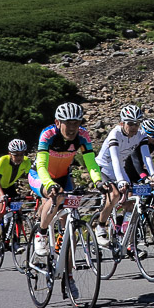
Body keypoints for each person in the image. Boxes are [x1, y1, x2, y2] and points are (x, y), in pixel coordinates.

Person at [29, 103, 103, 268]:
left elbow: (91, 163)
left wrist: (98, 181)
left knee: (70, 224)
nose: (72, 127)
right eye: (68, 123)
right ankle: (41, 234)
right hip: (40, 176)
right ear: (57, 122)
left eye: (76, 123)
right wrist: (49, 184)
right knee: (55, 197)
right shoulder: (48, 134)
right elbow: (41, 165)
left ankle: (68, 276)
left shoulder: (83, 135)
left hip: (63, 177)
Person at [95, 103, 154, 250]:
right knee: (115, 194)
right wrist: (121, 181)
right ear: (122, 123)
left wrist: (153, 176)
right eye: (130, 124)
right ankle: (100, 227)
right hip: (103, 168)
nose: (134, 127)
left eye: (137, 123)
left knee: (132, 201)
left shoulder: (141, 135)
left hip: (119, 169)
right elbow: (115, 159)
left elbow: (146, 157)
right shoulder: (114, 134)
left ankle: (125, 237)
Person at [0, 139, 31, 249]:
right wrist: (1, 196)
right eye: (16, 155)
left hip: (10, 187)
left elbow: (32, 179)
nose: (19, 157)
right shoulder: (3, 160)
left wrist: (35, 192)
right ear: (10, 153)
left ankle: (16, 242)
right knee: (0, 211)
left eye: (22, 154)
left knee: (19, 214)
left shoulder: (26, 161)